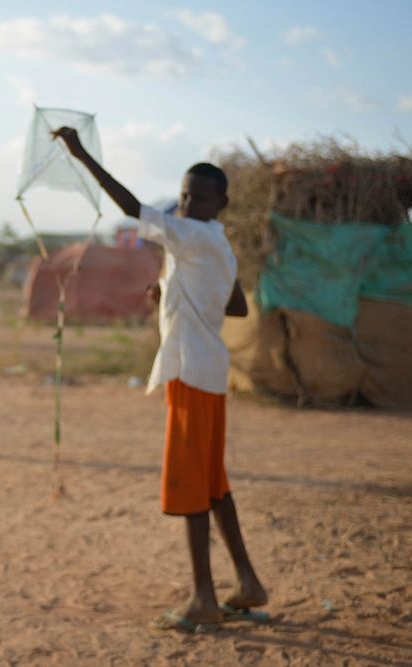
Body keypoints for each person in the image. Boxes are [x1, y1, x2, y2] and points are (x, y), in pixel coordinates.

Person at [54, 127, 267, 633]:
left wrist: (81, 153)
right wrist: (173, 292)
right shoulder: (216, 244)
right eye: (185, 195)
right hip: (208, 371)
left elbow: (130, 205)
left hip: (192, 372)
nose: (188, 203)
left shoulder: (190, 235)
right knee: (213, 484)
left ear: (222, 203)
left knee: (194, 486)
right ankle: (248, 582)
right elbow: (233, 304)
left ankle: (204, 600)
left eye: (200, 197)